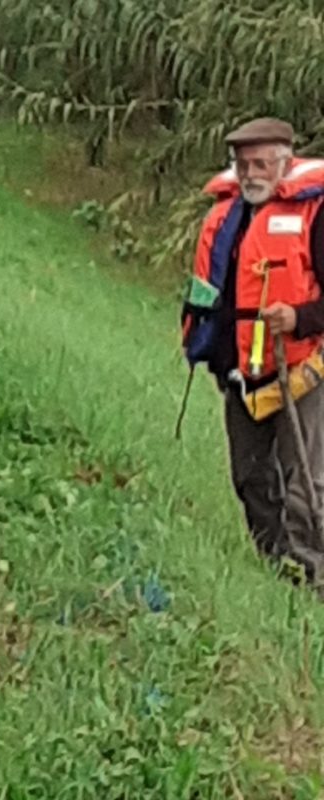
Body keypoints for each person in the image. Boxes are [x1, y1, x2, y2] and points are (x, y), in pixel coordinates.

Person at [183, 118, 324, 584]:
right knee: (250, 478)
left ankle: (313, 577)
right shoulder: (225, 217)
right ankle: (273, 564)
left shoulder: (313, 214)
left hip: (301, 370)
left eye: (261, 163)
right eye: (243, 164)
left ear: (285, 163)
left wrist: (300, 318)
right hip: (241, 372)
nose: (251, 174)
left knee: (306, 484)